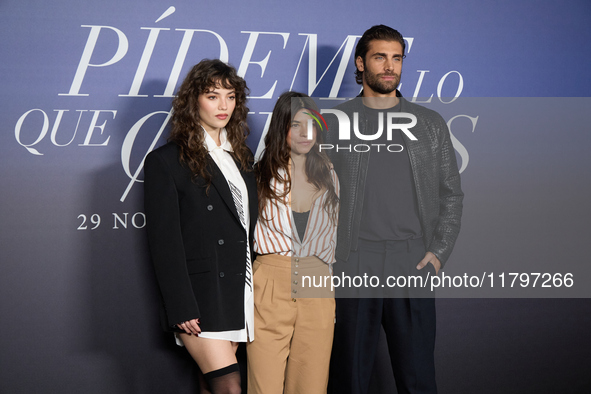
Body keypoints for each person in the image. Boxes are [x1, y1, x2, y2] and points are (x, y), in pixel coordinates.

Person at [326, 25, 464, 394]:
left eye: (397, 58)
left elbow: (451, 194)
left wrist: (438, 252)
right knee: (349, 378)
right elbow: (316, 195)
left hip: (411, 261)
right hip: (355, 263)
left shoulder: (430, 124)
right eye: (379, 57)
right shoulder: (335, 123)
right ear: (361, 62)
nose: (390, 66)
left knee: (418, 378)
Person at [144, 59, 257, 394]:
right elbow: (164, 241)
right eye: (212, 95)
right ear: (193, 101)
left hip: (240, 291)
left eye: (230, 96)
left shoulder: (243, 158)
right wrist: (180, 304)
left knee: (212, 387)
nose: (223, 105)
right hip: (202, 298)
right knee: (229, 387)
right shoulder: (167, 161)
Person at [247, 92, 339, 393]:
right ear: (280, 128)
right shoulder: (257, 175)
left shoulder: (329, 175)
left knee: (311, 384)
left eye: (311, 124)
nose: (305, 133)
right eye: (296, 125)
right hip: (270, 279)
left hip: (318, 282)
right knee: (264, 384)